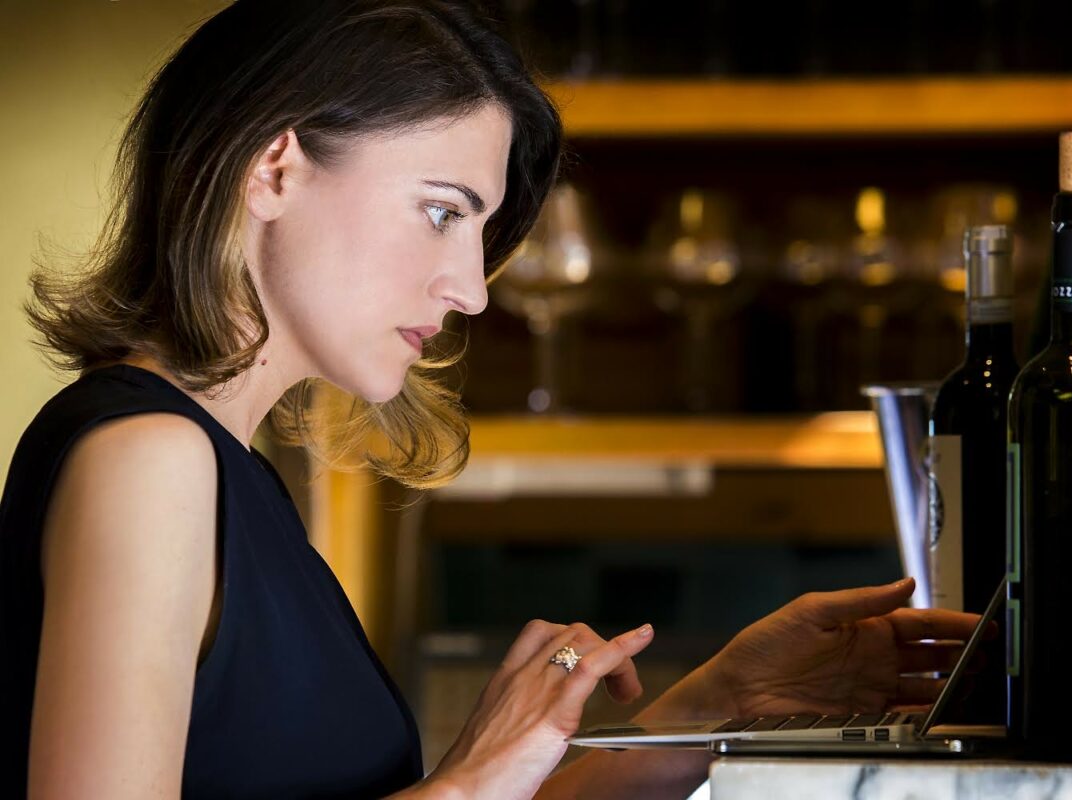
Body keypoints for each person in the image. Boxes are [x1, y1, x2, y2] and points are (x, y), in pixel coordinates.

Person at [0, 1, 981, 797]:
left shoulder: (228, 471)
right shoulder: (150, 460)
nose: (472, 289)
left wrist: (714, 705)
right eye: (440, 212)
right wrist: (468, 781)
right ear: (274, 168)